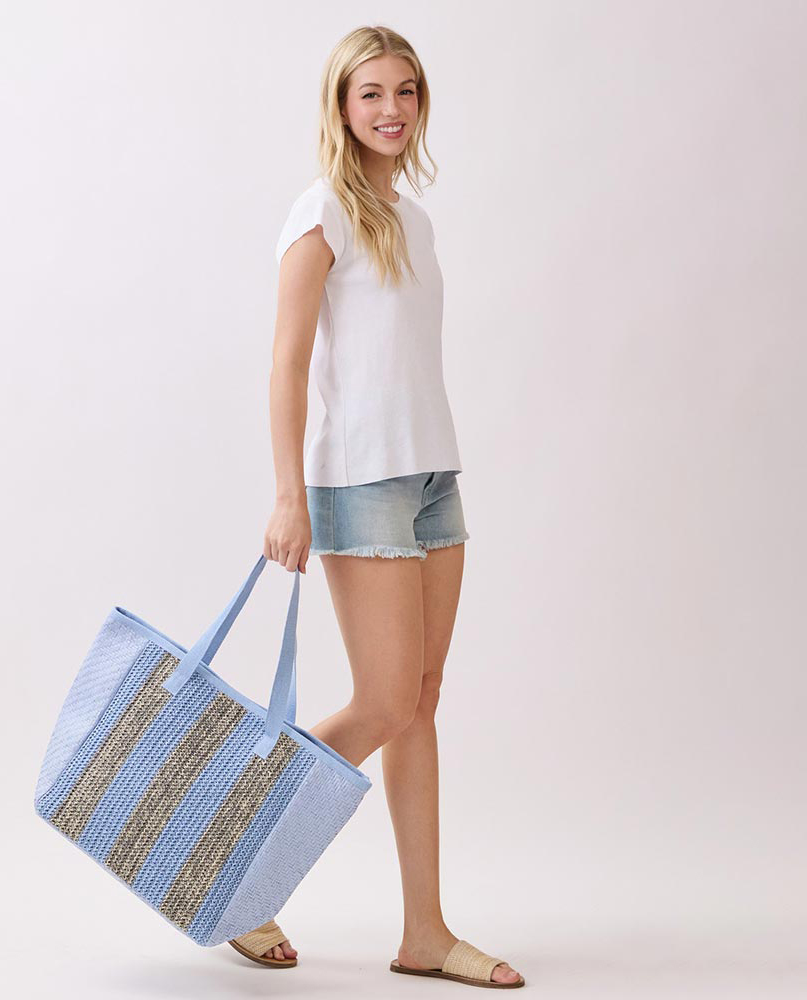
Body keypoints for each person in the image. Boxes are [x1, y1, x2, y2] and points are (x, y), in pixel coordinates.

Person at [228, 24, 526, 991]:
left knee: (420, 703)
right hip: (359, 482)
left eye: (405, 91)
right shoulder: (321, 210)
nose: (391, 109)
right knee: (386, 700)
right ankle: (233, 849)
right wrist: (288, 495)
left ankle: (424, 933)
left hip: (434, 478)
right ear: (342, 107)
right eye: (371, 94)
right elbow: (286, 364)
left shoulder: (414, 219)